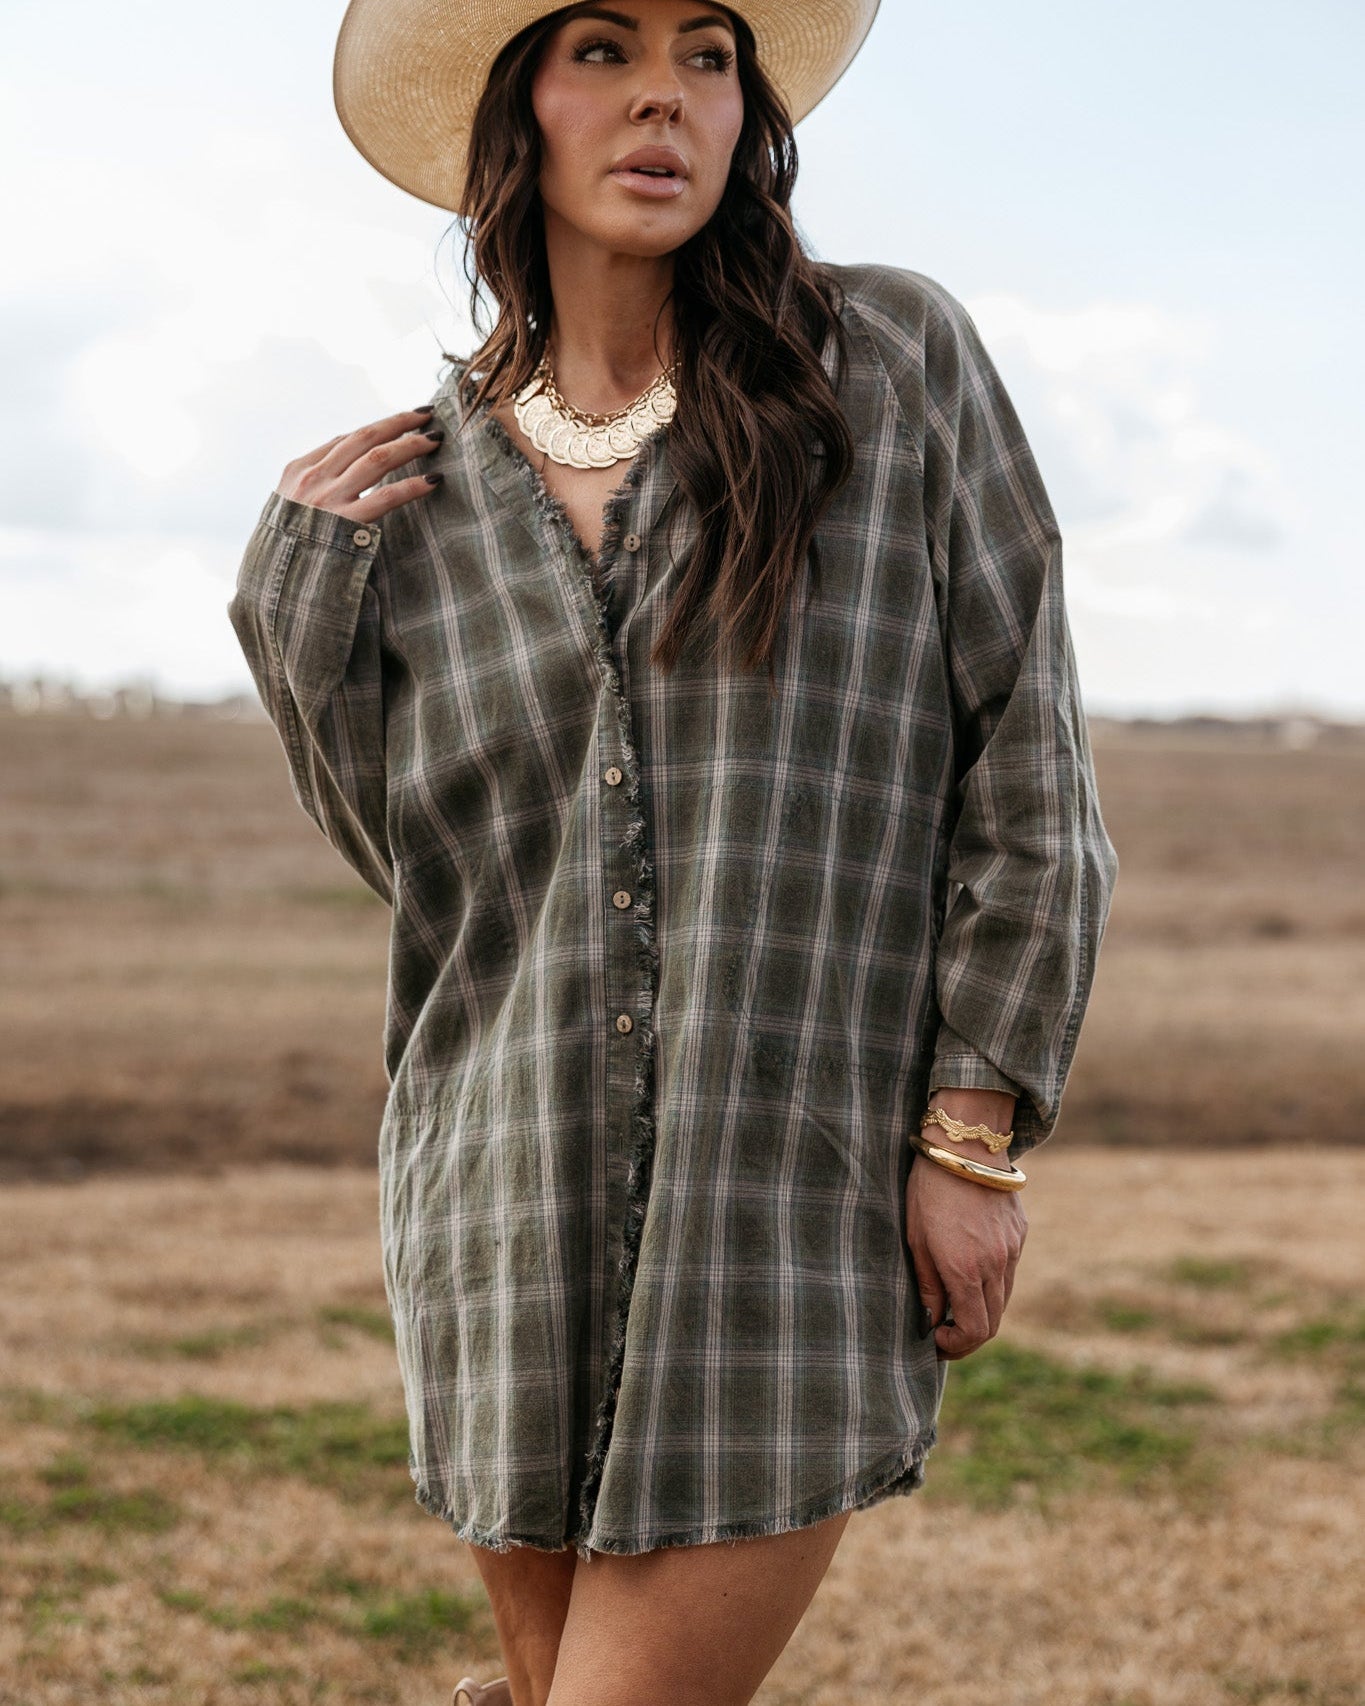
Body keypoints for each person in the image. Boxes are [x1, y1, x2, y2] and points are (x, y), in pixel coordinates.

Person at [227, 2, 1119, 1702]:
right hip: (501, 1202)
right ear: (514, 116)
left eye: (708, 57)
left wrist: (975, 1127)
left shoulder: (889, 361)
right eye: (601, 52)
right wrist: (291, 614)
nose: (663, 97)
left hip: (776, 1197)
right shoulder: (418, 500)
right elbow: (434, 881)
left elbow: (1026, 754)